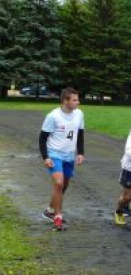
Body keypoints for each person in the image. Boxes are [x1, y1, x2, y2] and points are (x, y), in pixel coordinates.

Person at [39, 88, 85, 231]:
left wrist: (80, 153)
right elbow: (42, 139)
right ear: (65, 101)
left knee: (64, 184)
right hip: (54, 153)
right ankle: (58, 217)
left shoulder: (79, 114)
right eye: (74, 100)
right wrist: (46, 157)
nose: (78, 102)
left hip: (69, 155)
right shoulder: (53, 116)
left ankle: (49, 210)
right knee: (58, 183)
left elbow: (80, 134)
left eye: (77, 99)